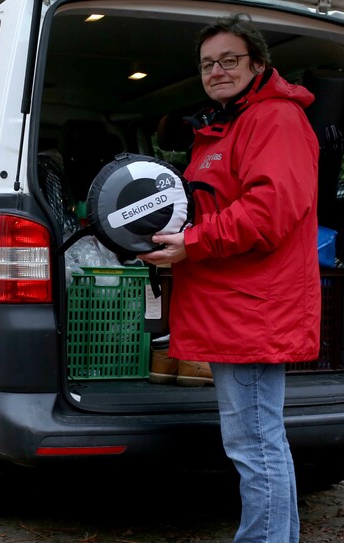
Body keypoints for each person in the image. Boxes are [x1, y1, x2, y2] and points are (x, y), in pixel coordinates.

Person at [139, 13, 320, 543]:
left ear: (258, 63)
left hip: (253, 311)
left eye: (229, 60)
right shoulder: (230, 124)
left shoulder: (275, 119)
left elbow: (268, 211)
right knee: (259, 441)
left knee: (255, 444)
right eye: (207, 64)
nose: (217, 71)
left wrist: (190, 244)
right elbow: (214, 205)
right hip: (234, 306)